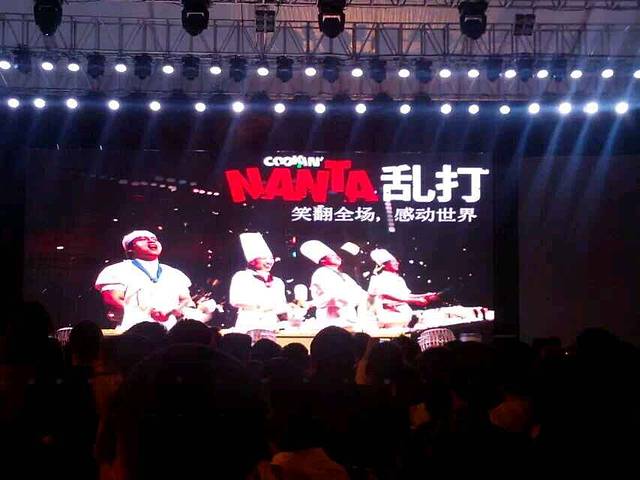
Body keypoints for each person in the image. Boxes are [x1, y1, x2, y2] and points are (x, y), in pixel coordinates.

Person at [94, 230, 194, 332]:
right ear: (130, 249)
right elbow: (113, 300)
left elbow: (186, 301)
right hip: (132, 333)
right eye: (142, 239)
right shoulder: (115, 270)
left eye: (154, 239)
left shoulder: (175, 273)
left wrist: (178, 310)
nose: (151, 241)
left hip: (171, 333)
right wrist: (149, 314)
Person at [229, 232, 288, 336]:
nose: (269, 261)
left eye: (271, 258)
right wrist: (261, 306)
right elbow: (235, 301)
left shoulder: (278, 282)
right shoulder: (241, 276)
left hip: (270, 326)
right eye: (264, 258)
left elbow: (281, 306)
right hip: (248, 324)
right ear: (252, 261)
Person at [300, 240, 367, 329]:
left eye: (336, 254)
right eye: (332, 255)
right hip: (331, 322)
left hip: (350, 320)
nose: (337, 257)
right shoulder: (320, 273)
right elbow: (324, 298)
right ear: (323, 260)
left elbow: (360, 294)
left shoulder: (345, 276)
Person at [367, 248, 439, 328]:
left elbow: (406, 295)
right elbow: (385, 295)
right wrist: (415, 301)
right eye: (393, 261)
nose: (397, 263)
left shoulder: (399, 279)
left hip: (403, 315)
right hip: (390, 316)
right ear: (385, 265)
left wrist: (425, 295)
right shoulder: (378, 278)